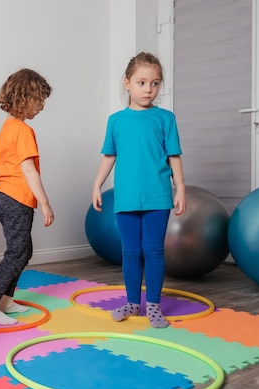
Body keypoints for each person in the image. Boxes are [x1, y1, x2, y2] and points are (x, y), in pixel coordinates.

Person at [92, 52, 186, 328]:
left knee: (153, 250)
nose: (148, 89)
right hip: (127, 198)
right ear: (127, 83)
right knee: (130, 252)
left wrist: (180, 188)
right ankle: (133, 302)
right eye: (142, 83)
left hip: (158, 197)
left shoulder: (165, 118)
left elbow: (174, 156)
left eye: (155, 83)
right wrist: (97, 184)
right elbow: (109, 155)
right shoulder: (116, 121)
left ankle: (154, 306)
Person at [0, 69, 54, 325]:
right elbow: (28, 171)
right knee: (16, 252)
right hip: (16, 199)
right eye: (39, 100)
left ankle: (5, 299)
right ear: (26, 98)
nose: (42, 107)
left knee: (24, 251)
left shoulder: (8, 127)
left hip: (3, 197)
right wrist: (44, 203)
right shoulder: (22, 130)